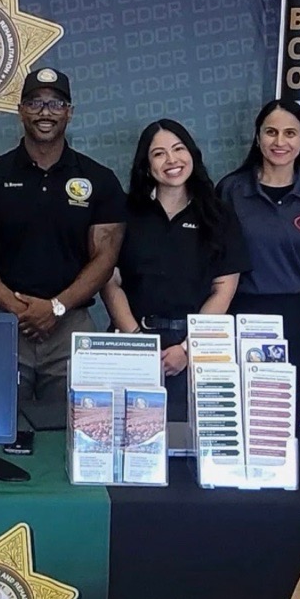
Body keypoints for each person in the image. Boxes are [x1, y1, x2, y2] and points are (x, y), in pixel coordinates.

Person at [0, 66, 125, 403]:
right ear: (20, 111)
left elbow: (105, 260)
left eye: (56, 104)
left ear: (69, 112)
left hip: (71, 326)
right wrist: (20, 309)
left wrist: (56, 307)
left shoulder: (100, 180)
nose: (45, 112)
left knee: (77, 425)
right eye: (34, 103)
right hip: (5, 322)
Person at [101, 119, 249, 421]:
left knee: (187, 440)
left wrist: (187, 349)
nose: (172, 160)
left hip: (195, 352)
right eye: (159, 154)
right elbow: (110, 280)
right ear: (146, 165)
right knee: (127, 433)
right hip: (131, 343)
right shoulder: (125, 212)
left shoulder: (219, 215)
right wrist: (137, 342)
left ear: (192, 154)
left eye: (179, 149)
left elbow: (224, 288)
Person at [217, 97, 300, 421]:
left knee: (280, 425)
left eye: (290, 133)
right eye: (271, 132)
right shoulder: (230, 191)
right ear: (257, 137)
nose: (280, 142)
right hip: (236, 316)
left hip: (296, 324)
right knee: (231, 420)